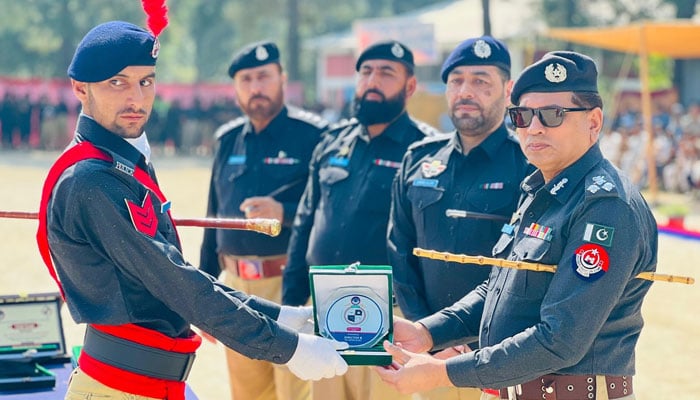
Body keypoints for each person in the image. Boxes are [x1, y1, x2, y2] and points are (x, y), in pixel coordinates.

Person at [36, 21, 348, 400]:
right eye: (117, 83)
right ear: (80, 89)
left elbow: (177, 272)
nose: (137, 98)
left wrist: (277, 315)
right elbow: (174, 282)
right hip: (118, 387)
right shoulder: (91, 179)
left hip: (152, 383)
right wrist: (288, 347)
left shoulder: (121, 164)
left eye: (146, 81)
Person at [375, 51, 657, 400]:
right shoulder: (541, 190)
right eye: (522, 115)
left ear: (594, 123)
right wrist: (427, 333)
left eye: (553, 115)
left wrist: (443, 372)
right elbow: (498, 288)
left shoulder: (604, 205)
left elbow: (560, 340)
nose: (534, 127)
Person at [282, 40, 438, 400]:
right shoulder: (333, 142)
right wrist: (291, 302)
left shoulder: (427, 151)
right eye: (366, 72)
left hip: (389, 319)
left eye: (386, 73)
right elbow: (306, 222)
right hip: (325, 313)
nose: (372, 80)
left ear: (409, 86)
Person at [387, 36, 531, 400]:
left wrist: (476, 346)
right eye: (457, 81)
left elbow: (526, 272)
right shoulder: (418, 159)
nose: (466, 91)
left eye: (481, 81)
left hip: (497, 358)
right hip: (428, 355)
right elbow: (401, 253)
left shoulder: (529, 165)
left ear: (508, 89)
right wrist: (430, 337)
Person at [199, 40, 327, 400]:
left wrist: (283, 212)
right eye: (246, 79)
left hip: (291, 286)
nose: (256, 87)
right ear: (235, 87)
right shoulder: (227, 140)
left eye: (264, 77)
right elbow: (214, 219)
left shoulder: (313, 136)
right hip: (236, 289)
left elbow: (331, 209)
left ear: (282, 79)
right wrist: (204, 292)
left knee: (296, 391)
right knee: (249, 394)